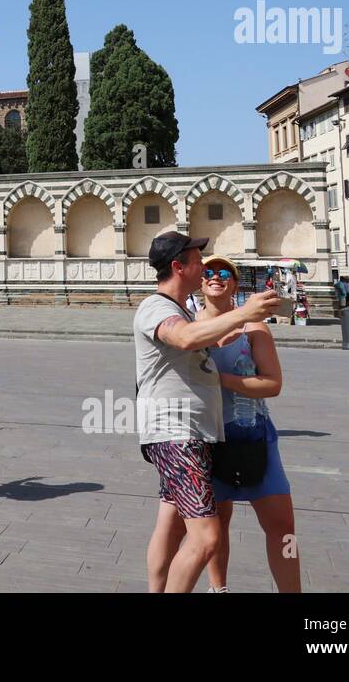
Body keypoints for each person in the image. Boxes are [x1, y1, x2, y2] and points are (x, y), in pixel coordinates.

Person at [135, 231, 282, 593]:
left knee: (170, 526)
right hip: (177, 434)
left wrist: (234, 326)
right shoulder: (157, 307)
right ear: (177, 266)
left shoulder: (183, 310)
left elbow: (197, 339)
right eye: (198, 260)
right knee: (206, 538)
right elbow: (184, 338)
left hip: (192, 435)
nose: (204, 267)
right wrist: (243, 313)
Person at [197, 255, 300, 593]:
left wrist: (222, 380)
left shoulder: (254, 328)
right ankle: (218, 589)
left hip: (254, 435)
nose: (215, 277)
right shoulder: (189, 326)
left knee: (283, 526)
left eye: (224, 273)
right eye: (208, 272)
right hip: (208, 440)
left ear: (235, 284)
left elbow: (273, 383)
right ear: (199, 282)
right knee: (216, 525)